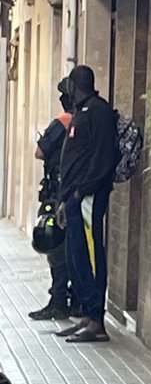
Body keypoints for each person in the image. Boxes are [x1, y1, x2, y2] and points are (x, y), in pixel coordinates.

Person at [55, 65, 119, 344]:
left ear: (75, 85)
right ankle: (86, 314)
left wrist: (82, 192)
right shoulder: (81, 112)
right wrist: (64, 199)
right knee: (76, 255)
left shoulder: (99, 111)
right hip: (73, 198)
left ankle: (97, 320)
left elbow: (103, 156)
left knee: (91, 256)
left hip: (88, 197)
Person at [28, 78, 75, 321]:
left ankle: (58, 301)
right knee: (74, 248)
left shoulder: (63, 122)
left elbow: (40, 152)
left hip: (58, 193)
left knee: (55, 244)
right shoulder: (86, 120)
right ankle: (74, 299)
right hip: (79, 193)